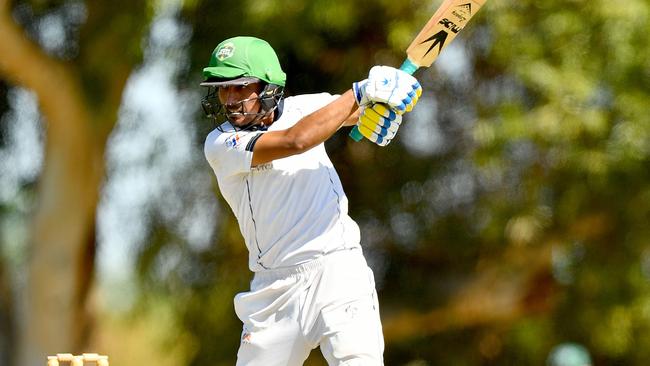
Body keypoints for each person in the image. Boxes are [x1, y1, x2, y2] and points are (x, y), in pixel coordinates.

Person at [200, 36, 421, 365]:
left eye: (240, 87)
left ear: (268, 85)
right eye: (223, 88)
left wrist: (386, 104)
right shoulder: (221, 144)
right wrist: (363, 91)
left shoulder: (308, 107)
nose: (230, 99)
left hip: (338, 270)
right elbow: (296, 139)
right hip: (275, 292)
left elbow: (355, 111)